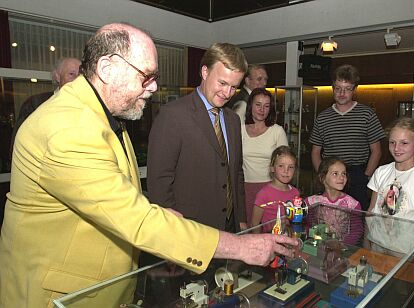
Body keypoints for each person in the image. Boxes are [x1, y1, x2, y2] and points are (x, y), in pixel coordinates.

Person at [0, 23, 298, 307]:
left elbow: (121, 196)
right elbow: (137, 219)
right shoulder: (69, 127)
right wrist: (241, 246)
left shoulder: (100, 115)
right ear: (107, 69)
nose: (153, 87)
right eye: (146, 76)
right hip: (65, 295)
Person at [147, 43, 248, 233]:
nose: (227, 94)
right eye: (222, 83)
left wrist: (241, 218)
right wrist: (170, 232)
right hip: (189, 229)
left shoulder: (233, 120)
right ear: (204, 72)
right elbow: (159, 181)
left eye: (234, 87)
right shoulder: (173, 115)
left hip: (230, 227)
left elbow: (236, 172)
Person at [310, 64, 385, 211]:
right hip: (330, 173)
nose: (342, 93)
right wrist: (323, 175)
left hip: (357, 174)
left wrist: (365, 177)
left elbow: (377, 151)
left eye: (347, 89)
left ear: (354, 90)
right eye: (338, 88)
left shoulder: (367, 114)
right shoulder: (322, 117)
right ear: (333, 88)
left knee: (356, 220)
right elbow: (315, 151)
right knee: (327, 216)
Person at [365, 117, 414, 254]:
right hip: (377, 243)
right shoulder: (381, 172)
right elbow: (371, 212)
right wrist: (366, 243)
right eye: (392, 142)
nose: (396, 148)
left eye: (404, 143)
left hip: (406, 250)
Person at [10, 57, 81, 150]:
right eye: (71, 74)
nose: (77, 79)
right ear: (57, 76)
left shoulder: (89, 106)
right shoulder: (35, 103)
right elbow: (18, 145)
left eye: (80, 75)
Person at [242, 88, 288, 225]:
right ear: (250, 106)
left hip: (270, 188)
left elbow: (286, 163)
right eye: (258, 105)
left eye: (266, 106)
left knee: (271, 229)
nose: (262, 109)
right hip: (244, 188)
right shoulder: (239, 129)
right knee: (247, 232)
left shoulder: (277, 131)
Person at [304, 157, 364, 246]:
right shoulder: (311, 202)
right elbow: (307, 225)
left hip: (343, 250)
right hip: (318, 249)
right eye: (335, 174)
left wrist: (341, 246)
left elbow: (356, 231)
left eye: (344, 174)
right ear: (322, 178)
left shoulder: (352, 204)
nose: (341, 177)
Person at [251, 145, 299, 232]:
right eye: (281, 166)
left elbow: (295, 221)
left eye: (291, 167)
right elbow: (255, 224)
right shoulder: (264, 194)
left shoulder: (295, 193)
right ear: (272, 168)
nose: (286, 171)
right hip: (269, 241)